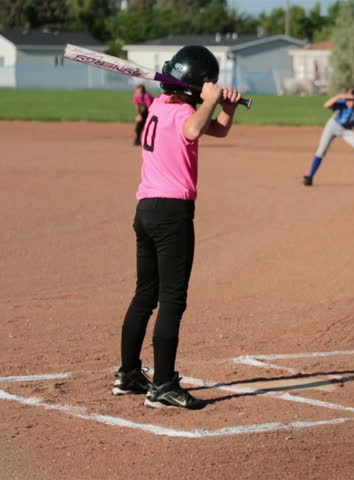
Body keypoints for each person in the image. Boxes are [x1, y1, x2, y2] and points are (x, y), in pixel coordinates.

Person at [111, 45, 242, 410]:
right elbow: (194, 127)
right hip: (171, 213)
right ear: (195, 86)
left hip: (146, 210)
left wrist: (224, 106)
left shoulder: (157, 106)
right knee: (171, 298)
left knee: (145, 294)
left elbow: (215, 129)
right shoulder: (183, 113)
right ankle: (163, 384)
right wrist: (210, 99)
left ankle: (128, 374)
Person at [303, 87, 354, 187]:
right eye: (347, 99)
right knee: (321, 150)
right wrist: (340, 96)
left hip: (347, 130)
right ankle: (310, 177)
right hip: (333, 126)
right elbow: (326, 105)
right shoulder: (343, 102)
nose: (349, 101)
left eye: (352, 99)